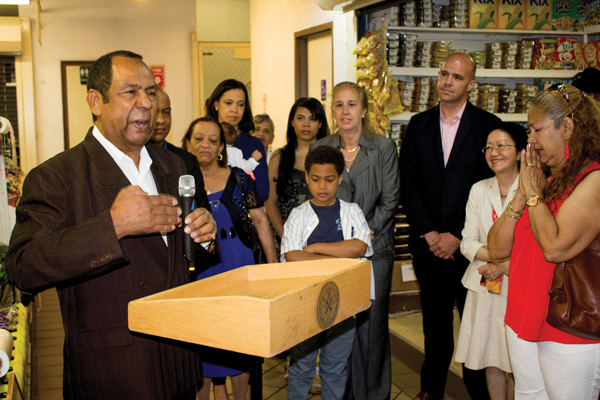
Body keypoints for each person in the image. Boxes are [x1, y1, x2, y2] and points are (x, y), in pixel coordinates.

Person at [5, 50, 217, 400]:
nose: (146, 103)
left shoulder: (174, 166)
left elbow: (185, 262)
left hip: (178, 364)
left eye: (150, 92)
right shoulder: (58, 177)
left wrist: (205, 238)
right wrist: (113, 226)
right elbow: (23, 266)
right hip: (112, 373)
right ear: (95, 101)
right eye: (130, 92)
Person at [488, 83, 600, 399]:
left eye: (537, 130)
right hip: (523, 317)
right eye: (529, 131)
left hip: (568, 326)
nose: (531, 141)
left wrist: (534, 194)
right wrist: (521, 196)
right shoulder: (541, 177)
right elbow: (497, 249)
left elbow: (555, 247)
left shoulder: (593, 179)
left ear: (567, 127)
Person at [400, 52, 501, 400]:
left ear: (471, 84)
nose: (447, 81)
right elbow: (408, 185)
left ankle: (478, 394)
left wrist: (458, 235)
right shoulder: (418, 125)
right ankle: (431, 392)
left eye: (457, 77)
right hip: (429, 248)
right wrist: (430, 233)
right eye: (444, 73)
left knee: (476, 327)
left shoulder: (488, 126)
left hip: (471, 248)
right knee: (435, 327)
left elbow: (491, 187)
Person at [311, 81, 400, 400]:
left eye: (351, 104)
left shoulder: (384, 148)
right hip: (334, 254)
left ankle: (374, 394)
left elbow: (390, 200)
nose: (345, 111)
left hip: (375, 252)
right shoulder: (320, 148)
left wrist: (362, 235)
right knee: (338, 328)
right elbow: (318, 199)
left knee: (372, 330)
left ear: (364, 109)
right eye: (338, 105)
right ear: (332, 111)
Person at [182, 116, 277, 400]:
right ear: (187, 143)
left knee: (240, 349)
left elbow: (261, 222)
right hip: (200, 274)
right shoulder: (179, 183)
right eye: (198, 138)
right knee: (202, 349)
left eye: (213, 140)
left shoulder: (238, 178)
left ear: (222, 147)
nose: (205, 145)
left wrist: (273, 269)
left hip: (238, 269)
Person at [281, 146, 373, 400]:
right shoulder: (297, 216)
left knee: (334, 369)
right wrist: (336, 256)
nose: (323, 187)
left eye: (330, 180)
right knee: (301, 367)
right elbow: (292, 256)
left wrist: (315, 248)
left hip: (343, 303)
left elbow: (359, 247)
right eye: (315, 179)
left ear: (340, 178)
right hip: (305, 304)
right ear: (307, 178)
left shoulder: (352, 211)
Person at [455, 122, 528, 400]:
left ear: (521, 152)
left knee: (516, 362)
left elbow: (534, 243)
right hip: (485, 284)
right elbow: (467, 241)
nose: (494, 152)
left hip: (519, 284)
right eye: (489, 147)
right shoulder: (479, 189)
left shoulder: (531, 188)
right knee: (491, 358)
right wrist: (496, 259)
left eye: (502, 146)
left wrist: (503, 263)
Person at [265, 98, 329, 257]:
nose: (306, 124)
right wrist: (287, 238)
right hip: (284, 236)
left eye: (312, 119)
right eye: (300, 118)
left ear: (320, 123)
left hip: (323, 240)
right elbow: (270, 202)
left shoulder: (330, 157)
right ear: (292, 122)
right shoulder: (279, 157)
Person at [206, 79, 269, 202]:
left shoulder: (253, 144)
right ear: (216, 104)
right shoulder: (203, 140)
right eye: (228, 103)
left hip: (244, 215)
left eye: (240, 104)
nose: (235, 109)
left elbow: (262, 192)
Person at [149, 86, 210, 212]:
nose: (160, 120)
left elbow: (203, 210)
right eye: (154, 112)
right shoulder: (131, 157)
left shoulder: (187, 160)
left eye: (166, 112)